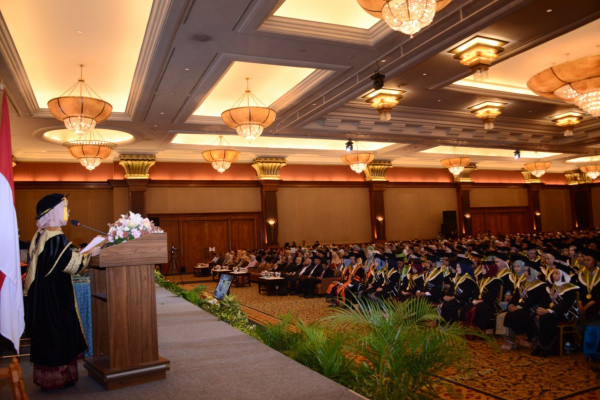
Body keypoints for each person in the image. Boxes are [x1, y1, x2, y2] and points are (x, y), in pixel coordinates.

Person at [24, 193, 98, 390]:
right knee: (57, 331)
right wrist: (91, 254)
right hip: (54, 296)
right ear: (53, 212)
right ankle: (58, 378)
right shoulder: (56, 236)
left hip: (44, 293)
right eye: (65, 208)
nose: (68, 212)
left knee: (49, 333)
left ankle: (50, 377)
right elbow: (70, 264)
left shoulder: (42, 233)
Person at [531, 269, 579, 357]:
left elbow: (565, 306)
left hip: (565, 314)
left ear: (563, 275)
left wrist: (548, 311)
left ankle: (546, 347)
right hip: (551, 312)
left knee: (546, 318)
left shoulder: (570, 288)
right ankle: (540, 344)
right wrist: (540, 309)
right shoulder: (550, 287)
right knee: (535, 315)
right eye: (553, 273)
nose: (553, 275)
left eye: (557, 273)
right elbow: (544, 302)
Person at [439, 258, 479, 322]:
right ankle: (442, 324)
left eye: (459, 266)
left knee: (447, 306)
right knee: (444, 301)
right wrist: (448, 296)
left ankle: (448, 326)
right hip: (458, 298)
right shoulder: (459, 277)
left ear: (464, 267)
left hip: (466, 300)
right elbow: (453, 289)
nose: (457, 268)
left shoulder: (469, 280)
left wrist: (452, 297)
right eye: (457, 266)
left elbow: (466, 294)